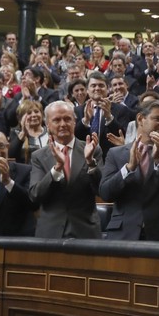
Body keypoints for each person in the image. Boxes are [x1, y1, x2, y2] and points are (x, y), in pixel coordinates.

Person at [99, 99, 159, 241]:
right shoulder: (116, 153)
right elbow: (105, 193)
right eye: (157, 119)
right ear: (141, 119)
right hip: (123, 233)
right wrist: (128, 168)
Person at [29, 101, 103, 238]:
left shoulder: (92, 150)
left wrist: (90, 163)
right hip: (50, 232)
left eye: (67, 119)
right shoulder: (38, 156)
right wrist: (56, 169)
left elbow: (102, 190)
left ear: (74, 121)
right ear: (47, 125)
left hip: (86, 231)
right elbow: (35, 195)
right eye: (57, 120)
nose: (63, 124)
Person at [8, 99, 48, 164]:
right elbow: (11, 155)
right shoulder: (15, 133)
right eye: (29, 113)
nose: (34, 115)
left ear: (42, 115)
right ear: (21, 118)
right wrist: (23, 134)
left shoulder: (50, 132)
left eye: (36, 111)